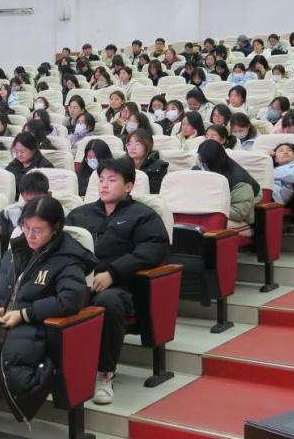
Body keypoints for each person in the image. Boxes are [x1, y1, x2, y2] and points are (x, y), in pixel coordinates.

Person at [0, 195, 95, 439]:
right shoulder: (17, 248)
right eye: (25, 227)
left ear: (55, 228)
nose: (30, 235)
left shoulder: (67, 258)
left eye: (37, 230)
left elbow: (70, 301)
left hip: (30, 335)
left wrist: (24, 314)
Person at [65, 158, 169, 406]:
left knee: (108, 302)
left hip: (122, 287)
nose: (104, 185)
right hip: (79, 282)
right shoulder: (80, 214)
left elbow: (152, 251)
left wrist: (113, 272)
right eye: (101, 179)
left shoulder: (143, 216)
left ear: (128, 186)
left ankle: (104, 373)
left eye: (112, 180)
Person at [196, 140, 260, 236]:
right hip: (212, 210)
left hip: (238, 219)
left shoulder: (240, 181)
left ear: (213, 162)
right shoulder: (200, 169)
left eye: (204, 162)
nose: (201, 164)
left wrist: (208, 207)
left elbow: (239, 213)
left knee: (206, 228)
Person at [0, 172, 51, 252]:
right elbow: (0, 245)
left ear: (48, 195)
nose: (33, 205)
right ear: (22, 196)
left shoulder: (59, 214)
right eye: (28, 201)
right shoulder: (9, 212)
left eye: (37, 201)